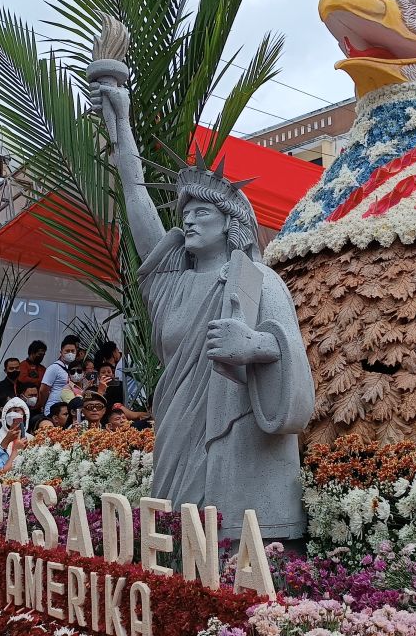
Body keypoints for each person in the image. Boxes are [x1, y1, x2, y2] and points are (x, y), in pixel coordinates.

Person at [90, 72, 315, 539]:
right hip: (176, 429)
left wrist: (256, 345)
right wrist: (121, 125)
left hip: (239, 443)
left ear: (230, 221)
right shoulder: (170, 282)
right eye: (185, 215)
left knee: (233, 556)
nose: (189, 221)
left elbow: (291, 353)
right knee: (178, 549)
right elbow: (136, 199)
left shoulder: (256, 281)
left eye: (202, 214)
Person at [36, 335, 80, 416]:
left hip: (70, 410)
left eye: (72, 351)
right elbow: (43, 390)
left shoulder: (77, 369)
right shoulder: (54, 368)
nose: (70, 353)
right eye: (67, 351)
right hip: (54, 409)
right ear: (61, 352)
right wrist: (42, 405)